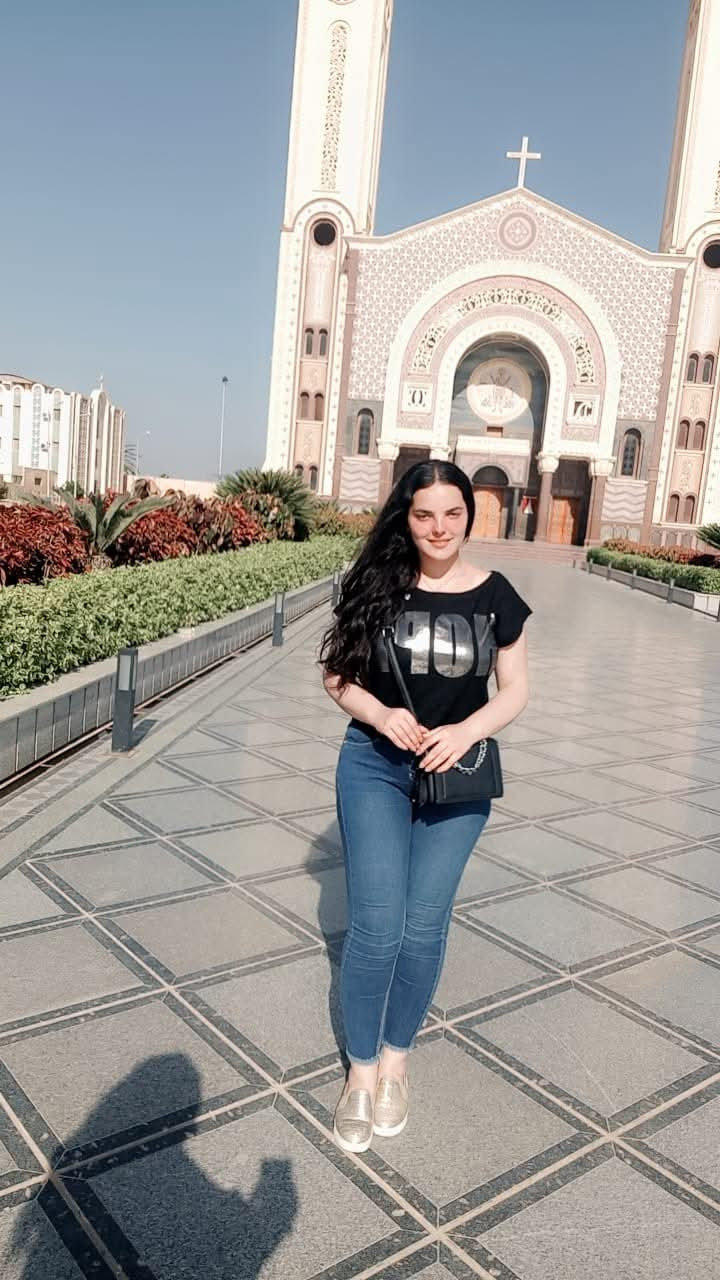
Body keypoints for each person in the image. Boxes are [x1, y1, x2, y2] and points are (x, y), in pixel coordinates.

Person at [320, 460, 532, 1153]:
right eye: (423, 515)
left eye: (452, 514)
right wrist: (381, 715)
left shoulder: (496, 597)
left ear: (470, 515)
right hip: (374, 767)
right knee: (377, 927)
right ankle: (360, 1074)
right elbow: (337, 677)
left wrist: (466, 731)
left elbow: (515, 688)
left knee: (422, 927)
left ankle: (395, 1062)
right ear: (404, 519)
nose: (439, 528)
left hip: (457, 778)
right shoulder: (376, 584)